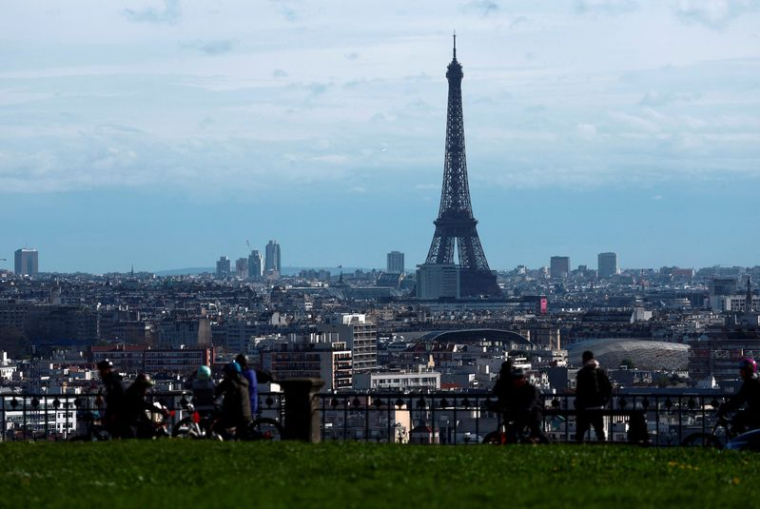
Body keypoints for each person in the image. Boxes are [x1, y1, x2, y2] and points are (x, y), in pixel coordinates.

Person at [493, 363, 547, 443]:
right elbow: (510, 400)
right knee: (515, 431)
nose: (516, 381)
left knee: (535, 431)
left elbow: (533, 400)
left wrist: (528, 408)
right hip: (521, 414)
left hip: (532, 413)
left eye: (519, 378)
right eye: (515, 379)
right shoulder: (516, 389)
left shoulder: (531, 389)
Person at [575, 350, 612, 443]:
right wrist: (603, 402)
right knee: (599, 431)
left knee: (580, 432)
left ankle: (577, 449)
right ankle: (603, 449)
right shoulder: (600, 372)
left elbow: (579, 391)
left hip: (584, 407)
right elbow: (608, 388)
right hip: (597, 406)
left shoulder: (581, 373)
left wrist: (579, 403)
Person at [718, 358, 760, 435]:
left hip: (757, 412)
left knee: (738, 419)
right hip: (755, 410)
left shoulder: (750, 382)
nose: (740, 373)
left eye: (742, 370)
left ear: (748, 371)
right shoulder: (753, 380)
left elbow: (739, 398)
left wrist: (726, 407)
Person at [214, 361, 251, 438]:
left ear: (230, 373)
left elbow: (218, 390)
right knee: (241, 435)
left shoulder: (230, 381)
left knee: (218, 426)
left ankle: (228, 440)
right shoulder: (244, 381)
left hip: (236, 414)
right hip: (246, 413)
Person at [123, 373, 167, 439]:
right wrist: (160, 411)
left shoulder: (134, 391)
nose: (146, 390)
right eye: (146, 387)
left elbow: (142, 408)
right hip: (129, 419)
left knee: (148, 425)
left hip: (131, 417)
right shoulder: (135, 393)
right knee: (148, 428)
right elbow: (144, 405)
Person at [96, 359, 126, 438]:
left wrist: (114, 413)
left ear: (107, 370)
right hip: (116, 409)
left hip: (117, 409)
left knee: (114, 431)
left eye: (102, 371)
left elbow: (114, 397)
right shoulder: (112, 379)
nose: (100, 373)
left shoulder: (111, 380)